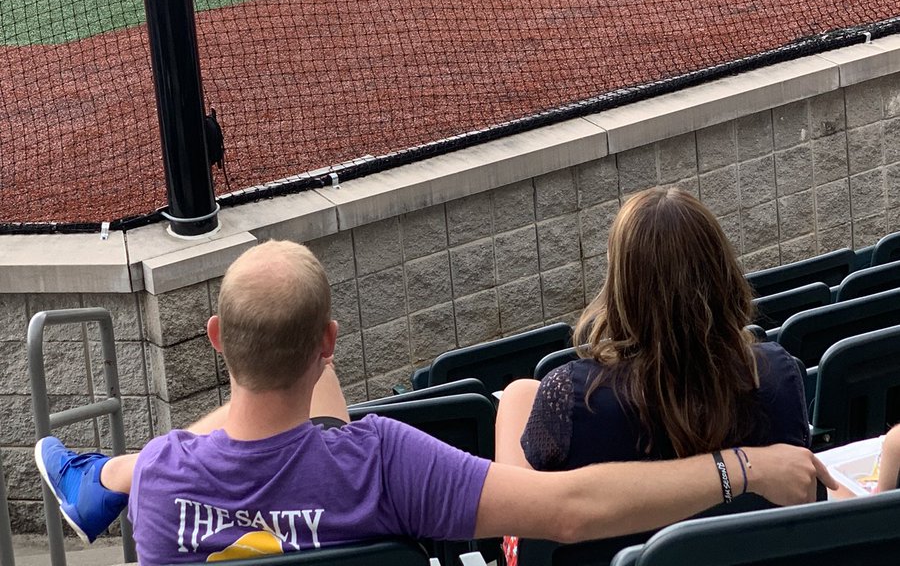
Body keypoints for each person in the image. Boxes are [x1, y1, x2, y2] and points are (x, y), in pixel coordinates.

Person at [35, 241, 832, 566]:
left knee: (305, 436)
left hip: (189, 464)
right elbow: (570, 510)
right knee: (329, 437)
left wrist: (126, 473)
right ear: (329, 346)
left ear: (214, 338)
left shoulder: (166, 482)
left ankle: (96, 475)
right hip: (345, 461)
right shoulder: (383, 458)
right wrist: (742, 465)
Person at [495, 186, 815, 563]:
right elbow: (801, 499)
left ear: (621, 288)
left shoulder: (570, 397)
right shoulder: (774, 374)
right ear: (722, 273)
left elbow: (523, 529)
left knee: (518, 395)